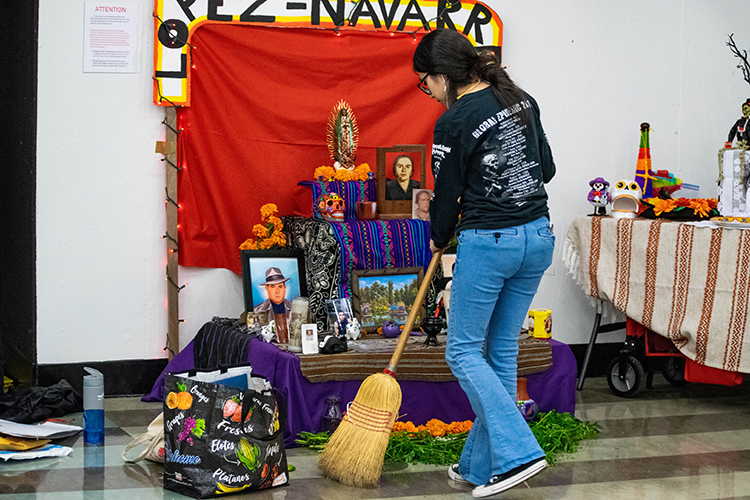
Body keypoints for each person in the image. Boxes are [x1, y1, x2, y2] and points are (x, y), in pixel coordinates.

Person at [413, 29, 556, 498]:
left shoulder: (454, 121)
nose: (428, 93)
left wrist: (436, 237)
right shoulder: (520, 98)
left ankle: (520, 453)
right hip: (538, 238)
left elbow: (447, 195)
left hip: (490, 244)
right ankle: (477, 463)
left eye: (425, 83)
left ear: (444, 76)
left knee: (462, 352)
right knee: (498, 356)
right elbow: (547, 168)